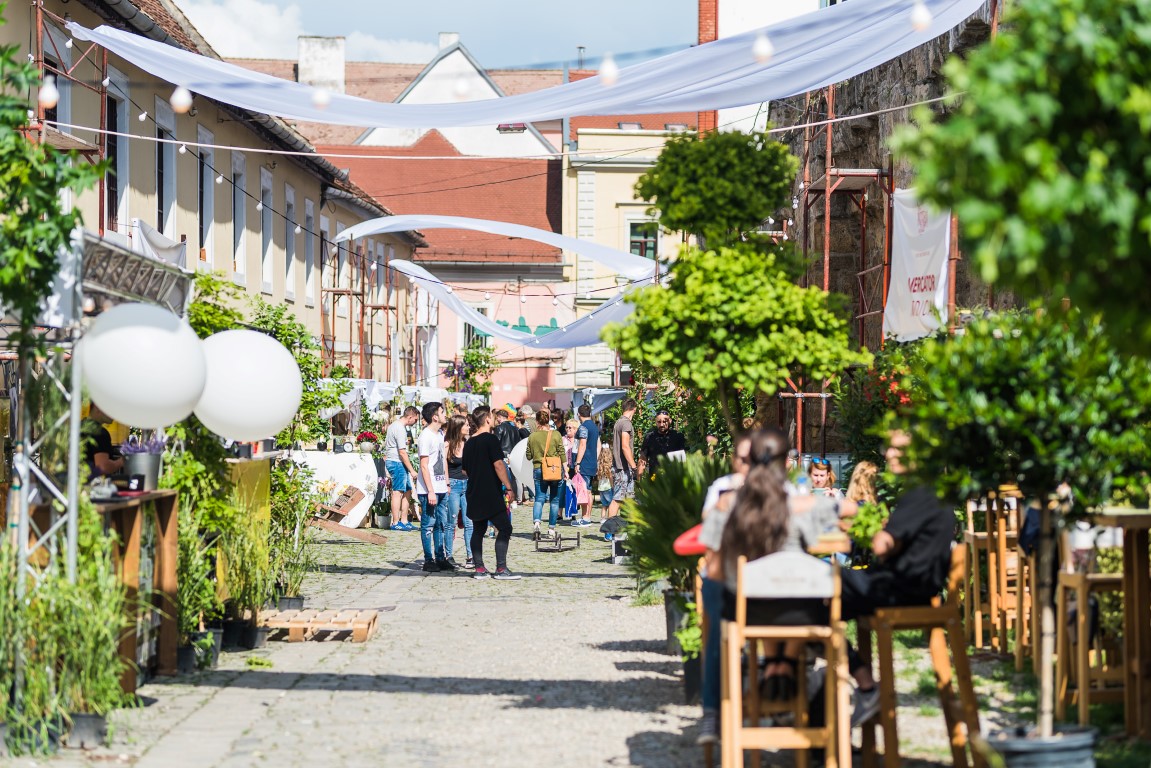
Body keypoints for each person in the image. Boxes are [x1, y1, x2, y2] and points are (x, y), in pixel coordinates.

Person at [840, 431, 957, 727]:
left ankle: (861, 687)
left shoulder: (921, 493)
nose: (889, 454)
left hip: (899, 589)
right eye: (888, 448)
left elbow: (882, 545)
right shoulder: (929, 492)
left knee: (814, 593)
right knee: (815, 604)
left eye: (897, 449)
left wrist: (867, 530)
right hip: (905, 586)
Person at [463, 406, 522, 580]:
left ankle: (479, 568)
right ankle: (501, 568)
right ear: (487, 419)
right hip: (490, 491)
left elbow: (465, 470)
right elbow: (498, 465)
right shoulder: (490, 439)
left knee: (478, 529)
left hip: (474, 490)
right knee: (505, 527)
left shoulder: (469, 442)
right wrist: (509, 487)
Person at [416, 401, 456, 573]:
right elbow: (424, 465)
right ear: (434, 416)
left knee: (441, 523)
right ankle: (428, 559)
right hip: (428, 489)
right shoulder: (425, 436)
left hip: (440, 486)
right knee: (428, 524)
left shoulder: (439, 434)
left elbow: (443, 460)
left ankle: (440, 557)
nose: (445, 414)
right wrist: (430, 490)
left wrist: (446, 483)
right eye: (442, 411)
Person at [525, 409, 567, 538]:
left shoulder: (532, 436)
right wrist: (566, 470)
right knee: (554, 500)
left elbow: (528, 456)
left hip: (539, 469)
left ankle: (537, 523)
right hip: (554, 469)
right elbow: (561, 453)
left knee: (539, 498)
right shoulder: (556, 434)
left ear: (537, 421)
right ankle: (551, 529)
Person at [444, 414, 474, 568]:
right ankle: (448, 555)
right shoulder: (448, 444)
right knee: (452, 522)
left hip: (467, 484)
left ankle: (470, 556)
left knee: (469, 522)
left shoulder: (467, 443)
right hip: (454, 485)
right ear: (458, 427)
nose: (468, 427)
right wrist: (447, 483)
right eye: (466, 425)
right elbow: (443, 465)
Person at [384, 406, 420, 531]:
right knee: (397, 491)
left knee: (408, 490)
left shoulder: (395, 426)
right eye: (415, 420)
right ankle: (395, 522)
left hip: (397, 462)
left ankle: (404, 520)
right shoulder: (399, 428)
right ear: (410, 417)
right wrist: (412, 470)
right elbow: (402, 452)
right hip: (396, 462)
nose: (415, 423)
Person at [606, 398, 638, 521]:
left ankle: (625, 527)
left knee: (627, 500)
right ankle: (610, 530)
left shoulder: (618, 422)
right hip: (623, 468)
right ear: (633, 409)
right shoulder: (626, 424)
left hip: (620, 466)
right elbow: (625, 446)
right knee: (618, 499)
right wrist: (633, 466)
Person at [572, 404, 600, 527]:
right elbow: (598, 445)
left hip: (585, 462)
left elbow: (582, 445)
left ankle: (586, 517)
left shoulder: (583, 427)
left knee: (585, 491)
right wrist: (596, 458)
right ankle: (586, 516)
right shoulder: (594, 427)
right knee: (588, 491)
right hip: (592, 461)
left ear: (579, 414)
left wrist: (577, 462)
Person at [638, 409, 688, 475]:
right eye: (659, 422)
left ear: (669, 421)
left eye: (664, 421)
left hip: (673, 477)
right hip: (655, 478)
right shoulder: (649, 437)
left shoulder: (678, 436)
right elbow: (643, 459)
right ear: (655, 422)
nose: (662, 425)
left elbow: (683, 458)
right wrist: (639, 480)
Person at [82, 403, 124, 477]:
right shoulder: (99, 432)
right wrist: (121, 462)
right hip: (92, 485)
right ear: (98, 407)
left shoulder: (77, 427)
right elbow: (102, 467)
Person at [493, 406, 523, 501]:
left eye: (497, 417)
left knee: (505, 477)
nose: (497, 419)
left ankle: (507, 497)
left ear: (500, 417)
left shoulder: (499, 428)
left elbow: (496, 442)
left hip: (503, 455)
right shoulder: (515, 428)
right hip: (514, 454)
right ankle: (517, 498)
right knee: (515, 478)